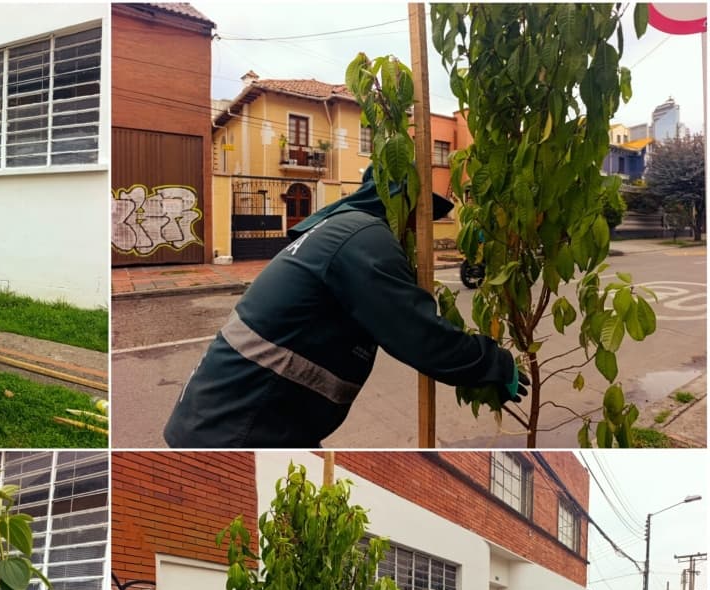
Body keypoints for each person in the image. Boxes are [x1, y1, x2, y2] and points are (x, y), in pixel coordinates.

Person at [163, 166, 528, 447]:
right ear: (400, 204)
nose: (421, 231)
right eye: (420, 217)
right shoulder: (366, 238)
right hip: (239, 427)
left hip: (233, 419)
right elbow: (419, 335)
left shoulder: (342, 229)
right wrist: (493, 362)